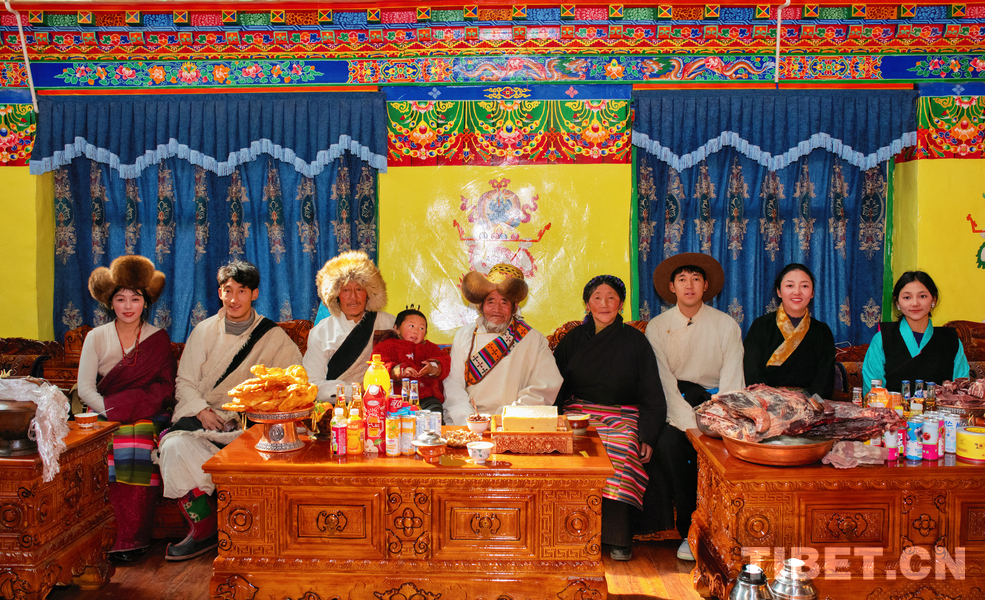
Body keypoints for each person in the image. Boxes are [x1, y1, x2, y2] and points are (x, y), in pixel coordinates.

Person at [158, 260, 302, 561]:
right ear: (219, 293)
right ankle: (204, 527)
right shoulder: (204, 331)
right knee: (173, 446)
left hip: (251, 424)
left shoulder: (273, 337)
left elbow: (291, 383)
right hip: (205, 418)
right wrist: (201, 411)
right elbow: (185, 381)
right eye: (227, 290)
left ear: (255, 294)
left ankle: (258, 532)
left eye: (242, 291)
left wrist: (253, 412)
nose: (234, 298)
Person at [553, 275, 666, 562]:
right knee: (576, 444)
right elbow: (554, 384)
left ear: (621, 304)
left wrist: (648, 435)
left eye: (611, 297)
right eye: (597, 298)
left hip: (622, 413)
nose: (604, 303)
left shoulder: (636, 341)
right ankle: (573, 530)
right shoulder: (573, 340)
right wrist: (551, 421)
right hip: (578, 411)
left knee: (621, 445)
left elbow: (652, 391)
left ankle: (618, 538)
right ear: (587, 304)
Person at [644, 253, 744, 561]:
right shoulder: (657, 327)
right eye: (682, 279)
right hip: (676, 407)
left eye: (696, 279)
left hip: (716, 407)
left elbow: (732, 378)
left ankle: (726, 530)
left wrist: (716, 419)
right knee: (668, 446)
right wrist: (690, 424)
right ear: (672, 287)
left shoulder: (726, 325)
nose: (689, 285)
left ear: (706, 286)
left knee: (725, 453)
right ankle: (690, 529)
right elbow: (663, 381)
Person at [79, 255, 177, 563]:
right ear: (110, 302)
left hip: (149, 411)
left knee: (139, 440)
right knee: (108, 441)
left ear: (145, 302)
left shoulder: (157, 338)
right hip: (105, 411)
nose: (128, 306)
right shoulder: (96, 337)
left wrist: (132, 407)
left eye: (135, 298)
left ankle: (132, 538)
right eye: (120, 299)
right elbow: (85, 389)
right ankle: (101, 535)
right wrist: (112, 410)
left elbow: (165, 387)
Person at [443, 263, 562, 426]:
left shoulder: (533, 339)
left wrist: (506, 419)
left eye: (504, 302)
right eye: (491, 301)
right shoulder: (464, 335)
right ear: (481, 306)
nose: (496, 309)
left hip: (514, 422)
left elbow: (543, 387)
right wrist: (470, 420)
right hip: (469, 421)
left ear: (514, 307)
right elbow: (453, 385)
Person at [303, 251, 395, 400]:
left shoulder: (389, 323)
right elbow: (312, 385)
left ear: (369, 293)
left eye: (359, 289)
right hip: (338, 407)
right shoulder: (321, 332)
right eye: (346, 290)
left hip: (383, 404)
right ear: (335, 295)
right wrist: (357, 391)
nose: (353, 297)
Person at [862, 271, 970, 395]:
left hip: (941, 408)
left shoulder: (951, 341)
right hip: (891, 407)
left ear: (934, 300)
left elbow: (962, 390)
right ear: (897, 303)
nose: (915, 303)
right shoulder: (882, 339)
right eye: (907, 297)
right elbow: (873, 392)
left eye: (922, 296)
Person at [743, 263, 835, 399]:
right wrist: (771, 399)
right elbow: (752, 372)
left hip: (808, 403)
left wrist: (807, 401)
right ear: (779, 292)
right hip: (767, 402)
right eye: (790, 285)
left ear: (812, 293)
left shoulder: (822, 331)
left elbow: (825, 378)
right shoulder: (761, 326)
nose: (797, 292)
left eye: (804, 286)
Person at [373, 307, 451, 416]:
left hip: (426, 397)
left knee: (435, 412)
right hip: (396, 399)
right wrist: (400, 371)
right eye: (411, 326)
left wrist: (432, 368)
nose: (416, 331)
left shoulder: (430, 348)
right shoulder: (386, 346)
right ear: (396, 328)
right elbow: (378, 367)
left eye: (421, 328)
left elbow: (445, 362)